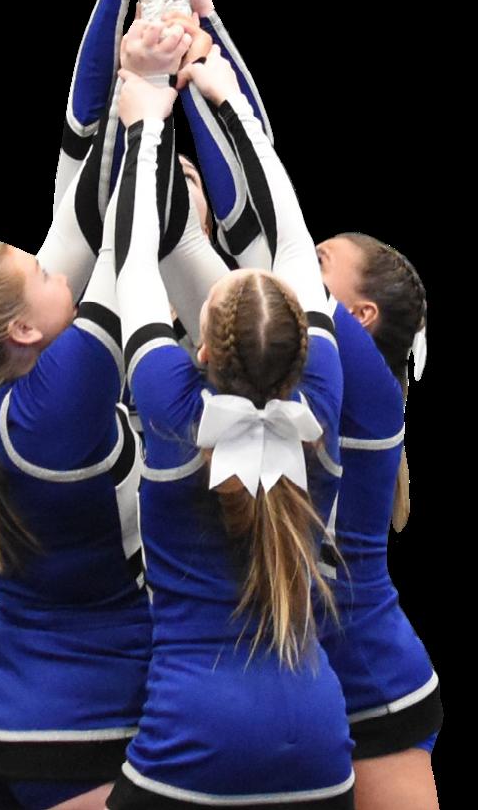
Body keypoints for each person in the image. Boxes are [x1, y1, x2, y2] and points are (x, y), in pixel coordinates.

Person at [106, 49, 352, 809]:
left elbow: (132, 254)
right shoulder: (322, 394)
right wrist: (227, 100)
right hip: (321, 743)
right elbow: (291, 236)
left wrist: (147, 124)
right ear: (303, 344)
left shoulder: (171, 404)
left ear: (202, 351)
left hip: (190, 740)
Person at [0, 97, 154, 809]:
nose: (62, 277)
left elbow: (78, 218)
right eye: (47, 278)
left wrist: (119, 45)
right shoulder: (58, 401)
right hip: (78, 730)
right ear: (22, 328)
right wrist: (147, 121)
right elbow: (121, 249)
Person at [314, 234, 441, 810]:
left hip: (373, 682)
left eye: (320, 262)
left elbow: (274, 260)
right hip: (304, 682)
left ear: (361, 316)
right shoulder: (299, 378)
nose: (302, 264)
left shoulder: (371, 392)